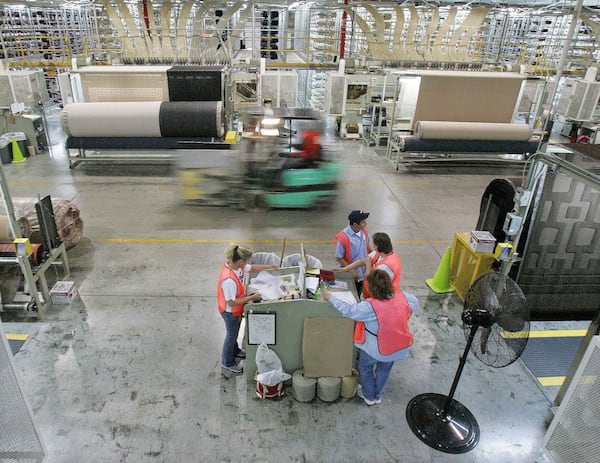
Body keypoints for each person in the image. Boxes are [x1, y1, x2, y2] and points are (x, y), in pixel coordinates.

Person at [322, 270, 418, 405]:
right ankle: (377, 396)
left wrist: (330, 297)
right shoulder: (406, 298)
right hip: (397, 346)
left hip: (376, 347)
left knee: (365, 367)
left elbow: (349, 311)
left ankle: (368, 395)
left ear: (371, 288)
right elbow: (414, 305)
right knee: (384, 370)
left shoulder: (370, 307)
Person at [217, 243, 278, 373]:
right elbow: (232, 302)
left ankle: (236, 351)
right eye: (246, 261)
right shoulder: (229, 280)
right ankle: (227, 362)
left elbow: (252, 268)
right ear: (240, 261)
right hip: (230, 312)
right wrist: (252, 297)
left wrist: (269, 267)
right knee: (231, 336)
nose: (247, 264)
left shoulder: (238, 268)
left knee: (233, 334)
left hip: (236, 310)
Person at [336, 231, 401, 298]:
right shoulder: (381, 253)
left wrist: (368, 264)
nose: (372, 246)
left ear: (378, 246)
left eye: (374, 244)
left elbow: (371, 280)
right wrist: (345, 269)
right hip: (371, 295)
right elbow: (364, 260)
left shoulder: (385, 267)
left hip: (381, 298)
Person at [334, 210, 371, 297]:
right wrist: (351, 270)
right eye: (363, 222)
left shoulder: (364, 231)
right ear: (355, 224)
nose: (365, 224)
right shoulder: (343, 237)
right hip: (349, 275)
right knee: (349, 296)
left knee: (358, 294)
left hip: (361, 273)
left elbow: (368, 246)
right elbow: (339, 257)